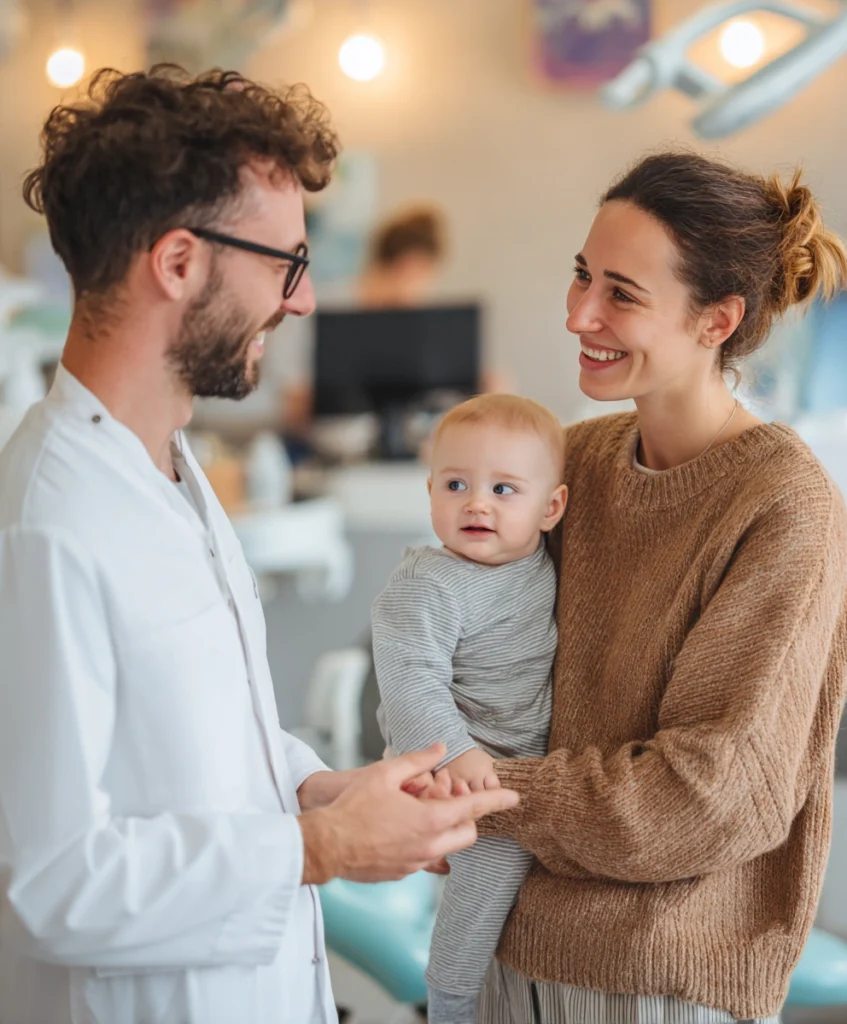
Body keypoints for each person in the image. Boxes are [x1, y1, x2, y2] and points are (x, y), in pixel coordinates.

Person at [0, 66, 519, 1024]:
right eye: (286, 262)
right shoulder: (47, 525)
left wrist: (329, 790)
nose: (305, 300)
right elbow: (49, 882)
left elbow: (196, 737)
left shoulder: (168, 468)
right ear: (180, 262)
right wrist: (320, 850)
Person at [470, 151, 847, 1024]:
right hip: (507, 940)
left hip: (659, 980)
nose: (577, 315)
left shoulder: (784, 502)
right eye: (579, 277)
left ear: (717, 320)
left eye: (620, 294)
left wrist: (483, 793)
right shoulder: (577, 463)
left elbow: (712, 798)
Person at [372, 394, 567, 1024]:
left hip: (516, 752)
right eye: (455, 484)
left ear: (552, 508)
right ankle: (448, 1004)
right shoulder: (429, 581)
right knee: (478, 902)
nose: (476, 503)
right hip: (465, 759)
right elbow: (408, 680)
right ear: (430, 492)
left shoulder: (543, 561)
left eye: (504, 489)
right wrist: (453, 754)